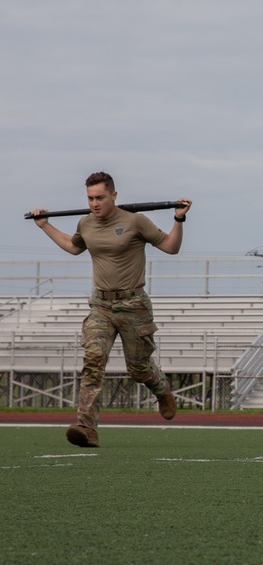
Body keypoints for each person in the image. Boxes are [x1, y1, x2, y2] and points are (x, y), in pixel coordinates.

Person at [30, 172, 192, 448]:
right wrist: (45, 225)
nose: (94, 203)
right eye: (90, 198)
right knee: (92, 364)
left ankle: (161, 388)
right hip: (101, 306)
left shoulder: (135, 221)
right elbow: (73, 246)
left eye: (100, 198)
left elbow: (171, 247)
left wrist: (178, 218)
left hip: (133, 306)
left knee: (139, 369)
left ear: (114, 196)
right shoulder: (86, 223)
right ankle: (87, 427)